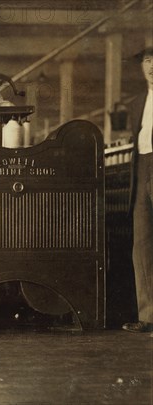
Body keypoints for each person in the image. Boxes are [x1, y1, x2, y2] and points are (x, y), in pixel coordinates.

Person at [123, 47, 153, 334]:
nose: (152, 66)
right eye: (147, 60)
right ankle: (148, 317)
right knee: (142, 245)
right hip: (142, 168)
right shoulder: (136, 103)